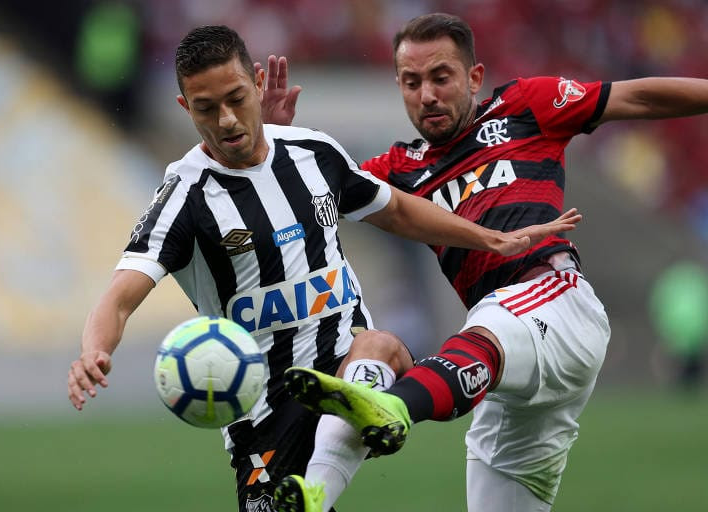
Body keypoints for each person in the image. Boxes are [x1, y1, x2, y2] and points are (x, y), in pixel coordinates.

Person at [65, 24, 581, 512]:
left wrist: (488, 237)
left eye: (236, 99)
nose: (226, 120)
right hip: (266, 412)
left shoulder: (313, 152)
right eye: (206, 108)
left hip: (345, 368)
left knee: (382, 345)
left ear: (258, 83)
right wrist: (94, 350)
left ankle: (351, 424)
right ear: (185, 107)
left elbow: (398, 210)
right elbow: (119, 296)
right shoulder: (185, 195)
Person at [260, 12, 708, 512]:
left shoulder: (525, 106)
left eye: (440, 77)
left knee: (475, 334)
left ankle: (395, 406)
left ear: (474, 77)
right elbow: (299, 201)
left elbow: (638, 98)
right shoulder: (396, 171)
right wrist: (276, 145)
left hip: (558, 303)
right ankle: (315, 496)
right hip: (508, 366)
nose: (427, 95)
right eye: (412, 82)